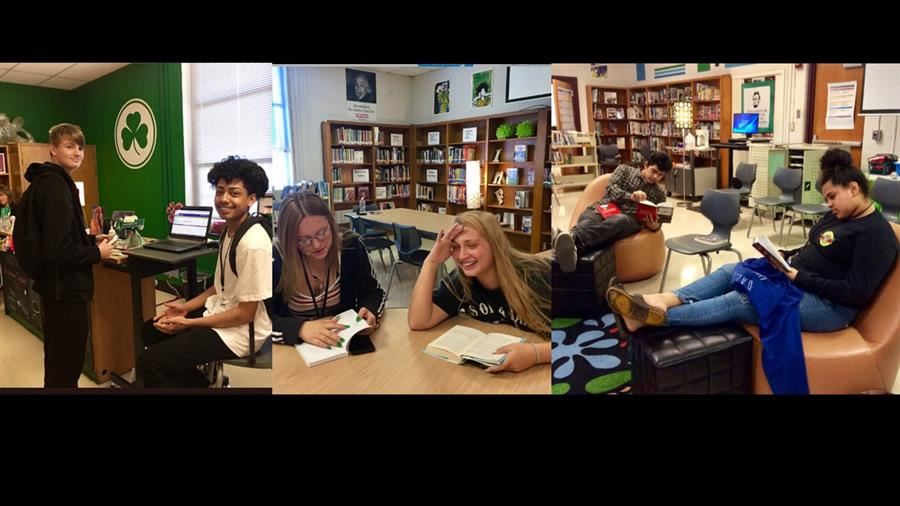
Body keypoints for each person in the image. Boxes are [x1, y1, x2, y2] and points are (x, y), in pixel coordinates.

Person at [607, 148, 899, 334]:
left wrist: (799, 275)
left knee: (742, 300)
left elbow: (855, 294)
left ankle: (653, 317)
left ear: (854, 188)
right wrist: (783, 256)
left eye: (832, 197)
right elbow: (817, 247)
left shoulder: (876, 235)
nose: (829, 204)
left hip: (830, 308)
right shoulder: (841, 215)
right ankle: (663, 300)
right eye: (826, 198)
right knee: (731, 271)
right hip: (795, 279)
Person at [138, 156, 272, 388]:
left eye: (234, 193)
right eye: (220, 192)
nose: (224, 199)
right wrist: (185, 308)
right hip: (221, 310)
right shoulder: (229, 232)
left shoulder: (252, 243)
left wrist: (190, 323)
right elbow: (219, 286)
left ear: (251, 199)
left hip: (239, 332)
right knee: (150, 330)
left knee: (150, 363)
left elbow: (245, 314)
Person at [24, 123, 114, 387]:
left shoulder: (45, 182)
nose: (77, 152)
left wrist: (87, 239)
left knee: (57, 359)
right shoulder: (56, 188)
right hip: (65, 289)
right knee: (66, 364)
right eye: (69, 146)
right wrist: (97, 253)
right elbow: (57, 250)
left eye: (80, 147)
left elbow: (54, 237)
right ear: (53, 149)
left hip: (53, 287)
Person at [408, 210, 551, 373]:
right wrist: (431, 262)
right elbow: (418, 321)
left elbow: (582, 335)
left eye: (472, 245)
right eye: (455, 247)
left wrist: (536, 354)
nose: (462, 256)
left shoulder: (535, 277)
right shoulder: (461, 280)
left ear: (495, 244)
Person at [271, 191, 384, 349]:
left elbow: (374, 291)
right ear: (288, 240)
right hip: (293, 351)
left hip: (342, 346)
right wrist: (300, 328)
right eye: (304, 240)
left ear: (331, 224)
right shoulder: (275, 259)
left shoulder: (351, 247)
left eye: (322, 233)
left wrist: (370, 310)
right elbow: (259, 319)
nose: (317, 245)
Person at [554, 151, 673, 273]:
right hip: (602, 209)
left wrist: (654, 226)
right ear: (646, 165)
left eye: (660, 175)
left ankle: (570, 238)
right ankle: (573, 248)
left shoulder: (660, 193)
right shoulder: (624, 170)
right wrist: (630, 196)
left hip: (628, 220)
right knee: (588, 220)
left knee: (620, 220)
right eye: (654, 171)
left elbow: (659, 220)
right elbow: (611, 190)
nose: (655, 177)